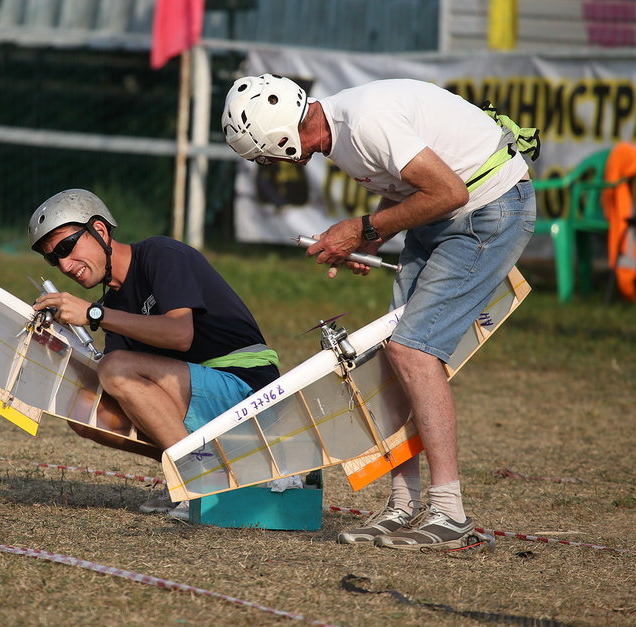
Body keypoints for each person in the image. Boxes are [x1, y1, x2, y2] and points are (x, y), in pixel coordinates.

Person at [222, 73, 537, 550]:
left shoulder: (363, 123)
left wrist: (364, 228)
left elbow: (449, 191)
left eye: (263, 153)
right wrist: (366, 236)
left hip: (488, 208)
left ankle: (450, 513)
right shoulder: (337, 135)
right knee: (387, 355)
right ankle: (403, 504)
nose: (268, 163)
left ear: (280, 138)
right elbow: (407, 187)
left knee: (412, 351)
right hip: (449, 212)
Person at [28, 189, 280, 518]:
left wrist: (93, 315)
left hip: (249, 387)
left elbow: (180, 334)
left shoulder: (160, 254)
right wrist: (56, 346)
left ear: (100, 231)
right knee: (84, 410)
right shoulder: (114, 306)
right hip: (201, 392)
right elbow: (124, 392)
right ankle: (199, 470)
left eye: (66, 246)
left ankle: (201, 479)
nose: (64, 264)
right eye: (53, 258)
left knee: (116, 368)